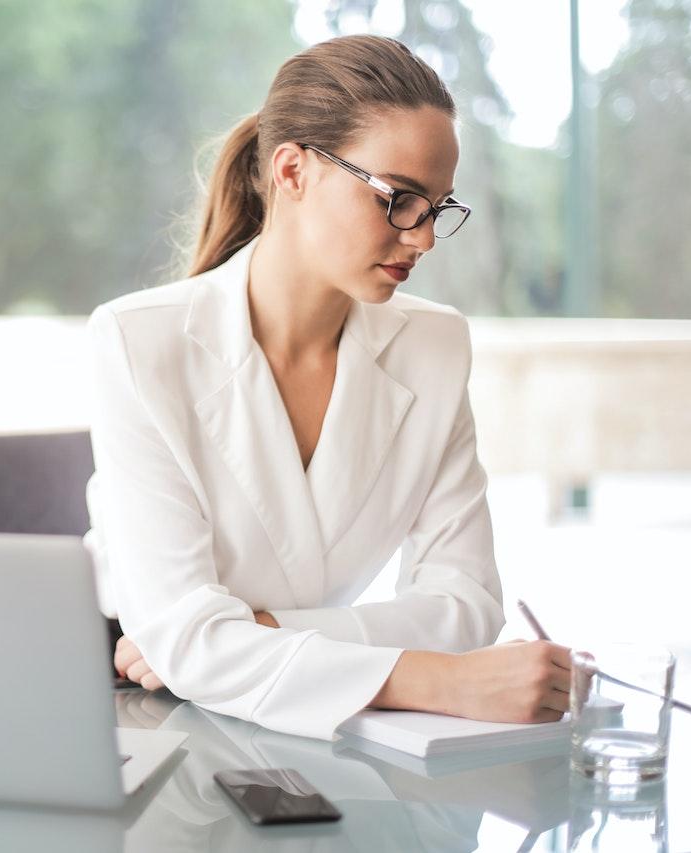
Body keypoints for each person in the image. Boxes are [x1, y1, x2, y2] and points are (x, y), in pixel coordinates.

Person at [82, 35, 572, 741]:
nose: (424, 238)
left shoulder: (434, 347)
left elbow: (466, 602)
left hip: (304, 718)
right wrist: (433, 678)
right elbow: (183, 642)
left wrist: (267, 631)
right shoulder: (138, 343)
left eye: (437, 207)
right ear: (292, 171)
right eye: (399, 199)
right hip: (135, 705)